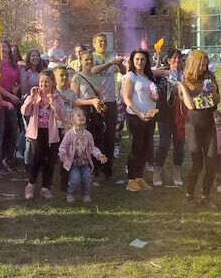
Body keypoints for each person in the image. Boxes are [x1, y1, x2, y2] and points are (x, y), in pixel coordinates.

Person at [177, 49, 220, 208]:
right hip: (193, 124)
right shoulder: (185, 81)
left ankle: (205, 196)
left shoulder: (209, 77)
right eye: (201, 65)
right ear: (194, 64)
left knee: (211, 162)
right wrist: (182, 87)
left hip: (208, 124)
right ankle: (189, 195)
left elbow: (217, 101)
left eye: (205, 65)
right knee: (197, 162)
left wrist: (214, 91)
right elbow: (190, 105)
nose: (203, 68)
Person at [22, 70, 67, 200]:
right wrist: (30, 97)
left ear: (52, 83)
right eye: (41, 81)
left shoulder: (57, 96)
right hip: (37, 133)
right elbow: (25, 111)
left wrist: (53, 103)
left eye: (47, 81)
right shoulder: (35, 95)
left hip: (52, 133)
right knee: (36, 159)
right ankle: (30, 185)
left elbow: (63, 116)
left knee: (50, 161)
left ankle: (45, 188)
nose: (43, 84)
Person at [122, 48, 158, 192]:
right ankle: (131, 179)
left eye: (142, 59)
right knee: (135, 147)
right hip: (135, 116)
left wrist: (154, 97)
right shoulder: (130, 76)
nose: (140, 62)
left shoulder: (149, 77)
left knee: (145, 147)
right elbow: (127, 98)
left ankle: (139, 177)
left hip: (149, 115)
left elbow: (152, 93)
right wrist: (139, 113)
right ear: (132, 60)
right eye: (137, 59)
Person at [90, 33, 125, 181]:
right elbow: (93, 71)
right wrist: (109, 64)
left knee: (110, 136)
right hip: (97, 101)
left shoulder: (112, 55)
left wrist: (120, 63)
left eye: (105, 42)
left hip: (111, 101)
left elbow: (124, 72)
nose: (103, 44)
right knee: (97, 136)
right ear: (94, 44)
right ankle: (96, 169)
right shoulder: (91, 57)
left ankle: (108, 169)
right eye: (100, 42)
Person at [152, 49, 186, 187]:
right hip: (164, 113)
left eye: (179, 58)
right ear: (168, 60)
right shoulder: (162, 75)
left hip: (181, 113)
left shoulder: (185, 74)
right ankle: (157, 172)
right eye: (174, 58)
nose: (177, 61)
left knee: (179, 144)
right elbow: (150, 73)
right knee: (164, 144)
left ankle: (176, 173)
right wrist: (166, 72)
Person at [59, 108, 107, 203]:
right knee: (75, 179)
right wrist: (62, 153)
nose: (82, 116)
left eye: (83, 115)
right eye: (79, 115)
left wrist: (99, 155)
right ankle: (70, 193)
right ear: (72, 120)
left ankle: (85, 194)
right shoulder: (69, 134)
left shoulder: (88, 135)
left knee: (87, 178)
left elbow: (92, 147)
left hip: (85, 162)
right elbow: (63, 146)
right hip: (73, 163)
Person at [0, 40, 21, 173]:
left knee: (12, 131)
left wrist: (15, 90)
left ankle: (9, 159)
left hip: (12, 99)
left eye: (4, 47)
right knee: (0, 131)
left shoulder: (14, 66)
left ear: (8, 49)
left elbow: (18, 82)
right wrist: (10, 96)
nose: (2, 49)